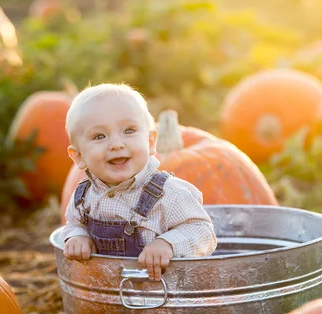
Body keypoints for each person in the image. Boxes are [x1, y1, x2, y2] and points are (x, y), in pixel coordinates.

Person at [62, 83, 217, 280]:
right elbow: (73, 223)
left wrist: (168, 243)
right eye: (99, 136)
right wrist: (77, 236)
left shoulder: (169, 194)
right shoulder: (83, 197)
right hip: (110, 300)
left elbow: (203, 233)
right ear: (78, 156)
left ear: (151, 142)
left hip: (166, 298)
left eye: (129, 130)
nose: (117, 144)